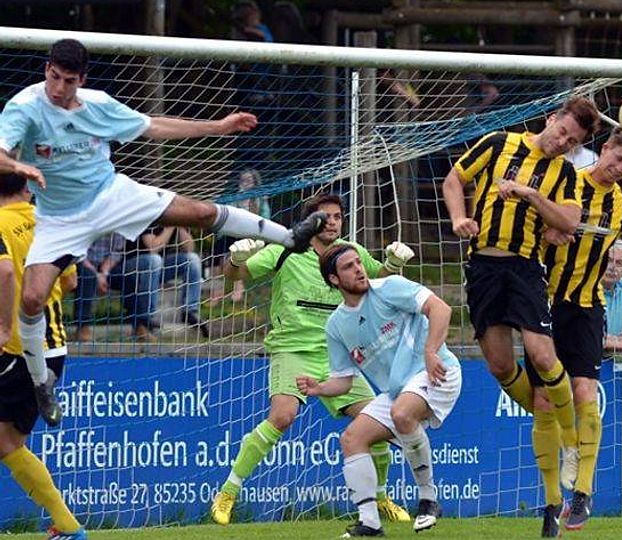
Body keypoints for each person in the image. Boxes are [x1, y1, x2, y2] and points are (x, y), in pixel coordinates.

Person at [0, 38, 323, 427]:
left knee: (200, 212)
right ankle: (41, 383)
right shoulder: (25, 107)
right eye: (53, 77)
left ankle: (290, 238)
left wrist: (218, 127)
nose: (58, 87)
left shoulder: (98, 105)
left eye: (68, 81)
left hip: (110, 195)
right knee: (32, 298)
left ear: (81, 80)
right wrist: (19, 167)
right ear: (46, 70)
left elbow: (153, 126)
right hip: (59, 218)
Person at [209, 193, 415, 526]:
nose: (332, 222)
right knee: (282, 416)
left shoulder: (350, 252)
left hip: (338, 355)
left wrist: (393, 264)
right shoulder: (286, 248)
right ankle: (228, 492)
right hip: (293, 348)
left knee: (376, 421)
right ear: (311, 222)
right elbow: (236, 274)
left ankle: (380, 498)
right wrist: (235, 260)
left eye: (337, 216)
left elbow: (377, 278)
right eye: (325, 217)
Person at [442, 96, 600, 493]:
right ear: (551, 119)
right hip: (482, 268)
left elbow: (569, 220)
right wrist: (459, 218)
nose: (563, 143)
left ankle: (570, 442)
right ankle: (553, 419)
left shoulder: (565, 173)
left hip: (526, 268)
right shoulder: (499, 143)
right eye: (562, 132)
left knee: (543, 356)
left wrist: (530, 195)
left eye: (572, 142)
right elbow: (454, 179)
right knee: (499, 365)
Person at [531, 128, 622, 535]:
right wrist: (548, 233)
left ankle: (582, 493)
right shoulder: (566, 184)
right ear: (605, 148)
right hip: (542, 303)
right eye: (617, 159)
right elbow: (531, 230)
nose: (619, 169)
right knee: (544, 402)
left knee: (584, 394)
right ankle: (551, 501)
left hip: (586, 308)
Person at [297, 244, 462, 537]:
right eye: (348, 267)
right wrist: (319, 387)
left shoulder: (388, 287)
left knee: (401, 413)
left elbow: (440, 308)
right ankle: (370, 522)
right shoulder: (336, 325)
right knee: (351, 439)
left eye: (358, 263)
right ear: (334, 279)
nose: (359, 269)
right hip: (399, 391)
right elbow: (344, 381)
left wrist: (430, 351)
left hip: (437, 371)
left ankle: (428, 500)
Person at [0, 173, 86, 540]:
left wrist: (4, 325)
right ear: (27, 187)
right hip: (54, 347)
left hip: (16, 348)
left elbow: (5, 271)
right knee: (7, 442)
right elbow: (70, 281)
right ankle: (67, 525)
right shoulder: (49, 222)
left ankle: (68, 525)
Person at [74, 233, 160, 343]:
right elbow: (76, 253)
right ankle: (82, 327)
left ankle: (140, 326)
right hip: (82, 265)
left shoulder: (118, 229)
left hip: (106, 268)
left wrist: (104, 273)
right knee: (87, 276)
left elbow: (116, 253)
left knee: (129, 278)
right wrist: (96, 275)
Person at [209, 169, 272, 306]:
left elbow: (265, 219)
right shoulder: (235, 198)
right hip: (232, 232)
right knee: (217, 252)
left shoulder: (261, 198)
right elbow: (228, 216)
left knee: (237, 251)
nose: (246, 183)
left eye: (249, 180)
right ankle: (217, 290)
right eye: (243, 180)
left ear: (255, 182)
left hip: (251, 234)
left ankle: (238, 288)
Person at [136, 226, 209, 337]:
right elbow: (153, 248)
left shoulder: (176, 221)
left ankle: (190, 311)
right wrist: (170, 227)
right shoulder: (152, 220)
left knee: (192, 258)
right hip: (137, 267)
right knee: (155, 260)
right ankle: (147, 317)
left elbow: (189, 248)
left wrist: (180, 227)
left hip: (159, 268)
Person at [602, 239, 622, 356]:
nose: (612, 267)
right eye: (609, 260)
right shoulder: (586, 287)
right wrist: (621, 344)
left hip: (615, 358)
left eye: (619, 263)